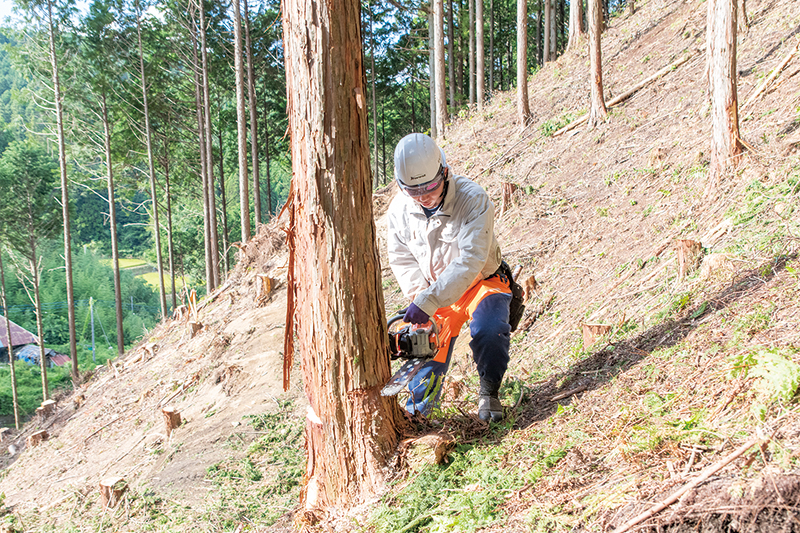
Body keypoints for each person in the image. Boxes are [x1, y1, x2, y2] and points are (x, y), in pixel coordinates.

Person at [386, 132, 512, 422]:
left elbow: (471, 260)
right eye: (413, 190)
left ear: (444, 171)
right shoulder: (399, 211)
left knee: (489, 329)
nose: (423, 196)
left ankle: (489, 393)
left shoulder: (472, 199)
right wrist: (420, 296)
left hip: (480, 282)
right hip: (434, 293)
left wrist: (428, 300)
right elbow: (401, 257)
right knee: (423, 348)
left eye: (429, 186)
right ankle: (419, 414)